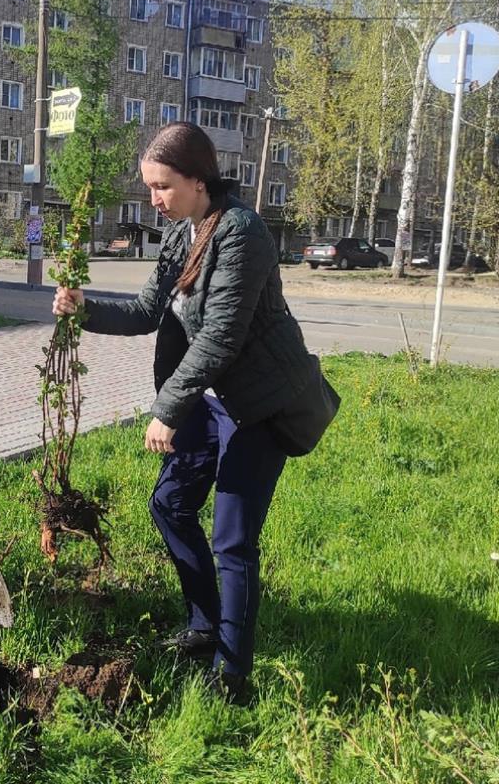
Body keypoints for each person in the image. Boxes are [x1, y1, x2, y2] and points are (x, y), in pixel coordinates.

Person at [52, 122, 323, 701]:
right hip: (211, 400)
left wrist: (167, 408)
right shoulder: (182, 232)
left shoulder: (241, 234)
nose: (153, 198)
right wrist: (84, 308)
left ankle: (234, 678)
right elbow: (150, 310)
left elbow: (222, 334)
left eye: (162, 186)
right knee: (170, 506)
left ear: (199, 181)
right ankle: (204, 625)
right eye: (149, 186)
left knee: (232, 540)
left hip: (260, 405)